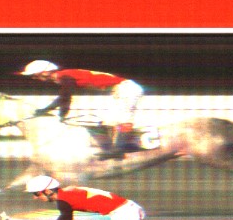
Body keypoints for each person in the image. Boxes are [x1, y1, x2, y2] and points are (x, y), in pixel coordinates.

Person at [18, 60, 147, 158]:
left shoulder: (65, 76)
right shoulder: (64, 76)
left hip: (127, 88)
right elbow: (63, 97)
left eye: (35, 75)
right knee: (109, 120)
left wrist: (61, 114)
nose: (35, 78)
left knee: (122, 118)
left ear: (45, 72)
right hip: (120, 89)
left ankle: (120, 149)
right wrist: (45, 110)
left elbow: (65, 97)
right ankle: (119, 147)